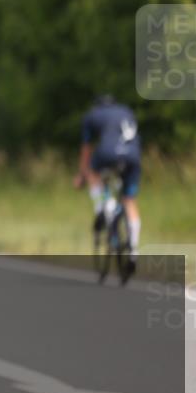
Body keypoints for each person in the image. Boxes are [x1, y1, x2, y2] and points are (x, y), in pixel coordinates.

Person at [73, 94, 142, 271]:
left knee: (93, 174)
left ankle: (103, 208)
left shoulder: (92, 115)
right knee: (129, 201)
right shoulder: (126, 111)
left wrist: (82, 174)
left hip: (107, 154)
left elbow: (86, 148)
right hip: (133, 157)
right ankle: (133, 250)